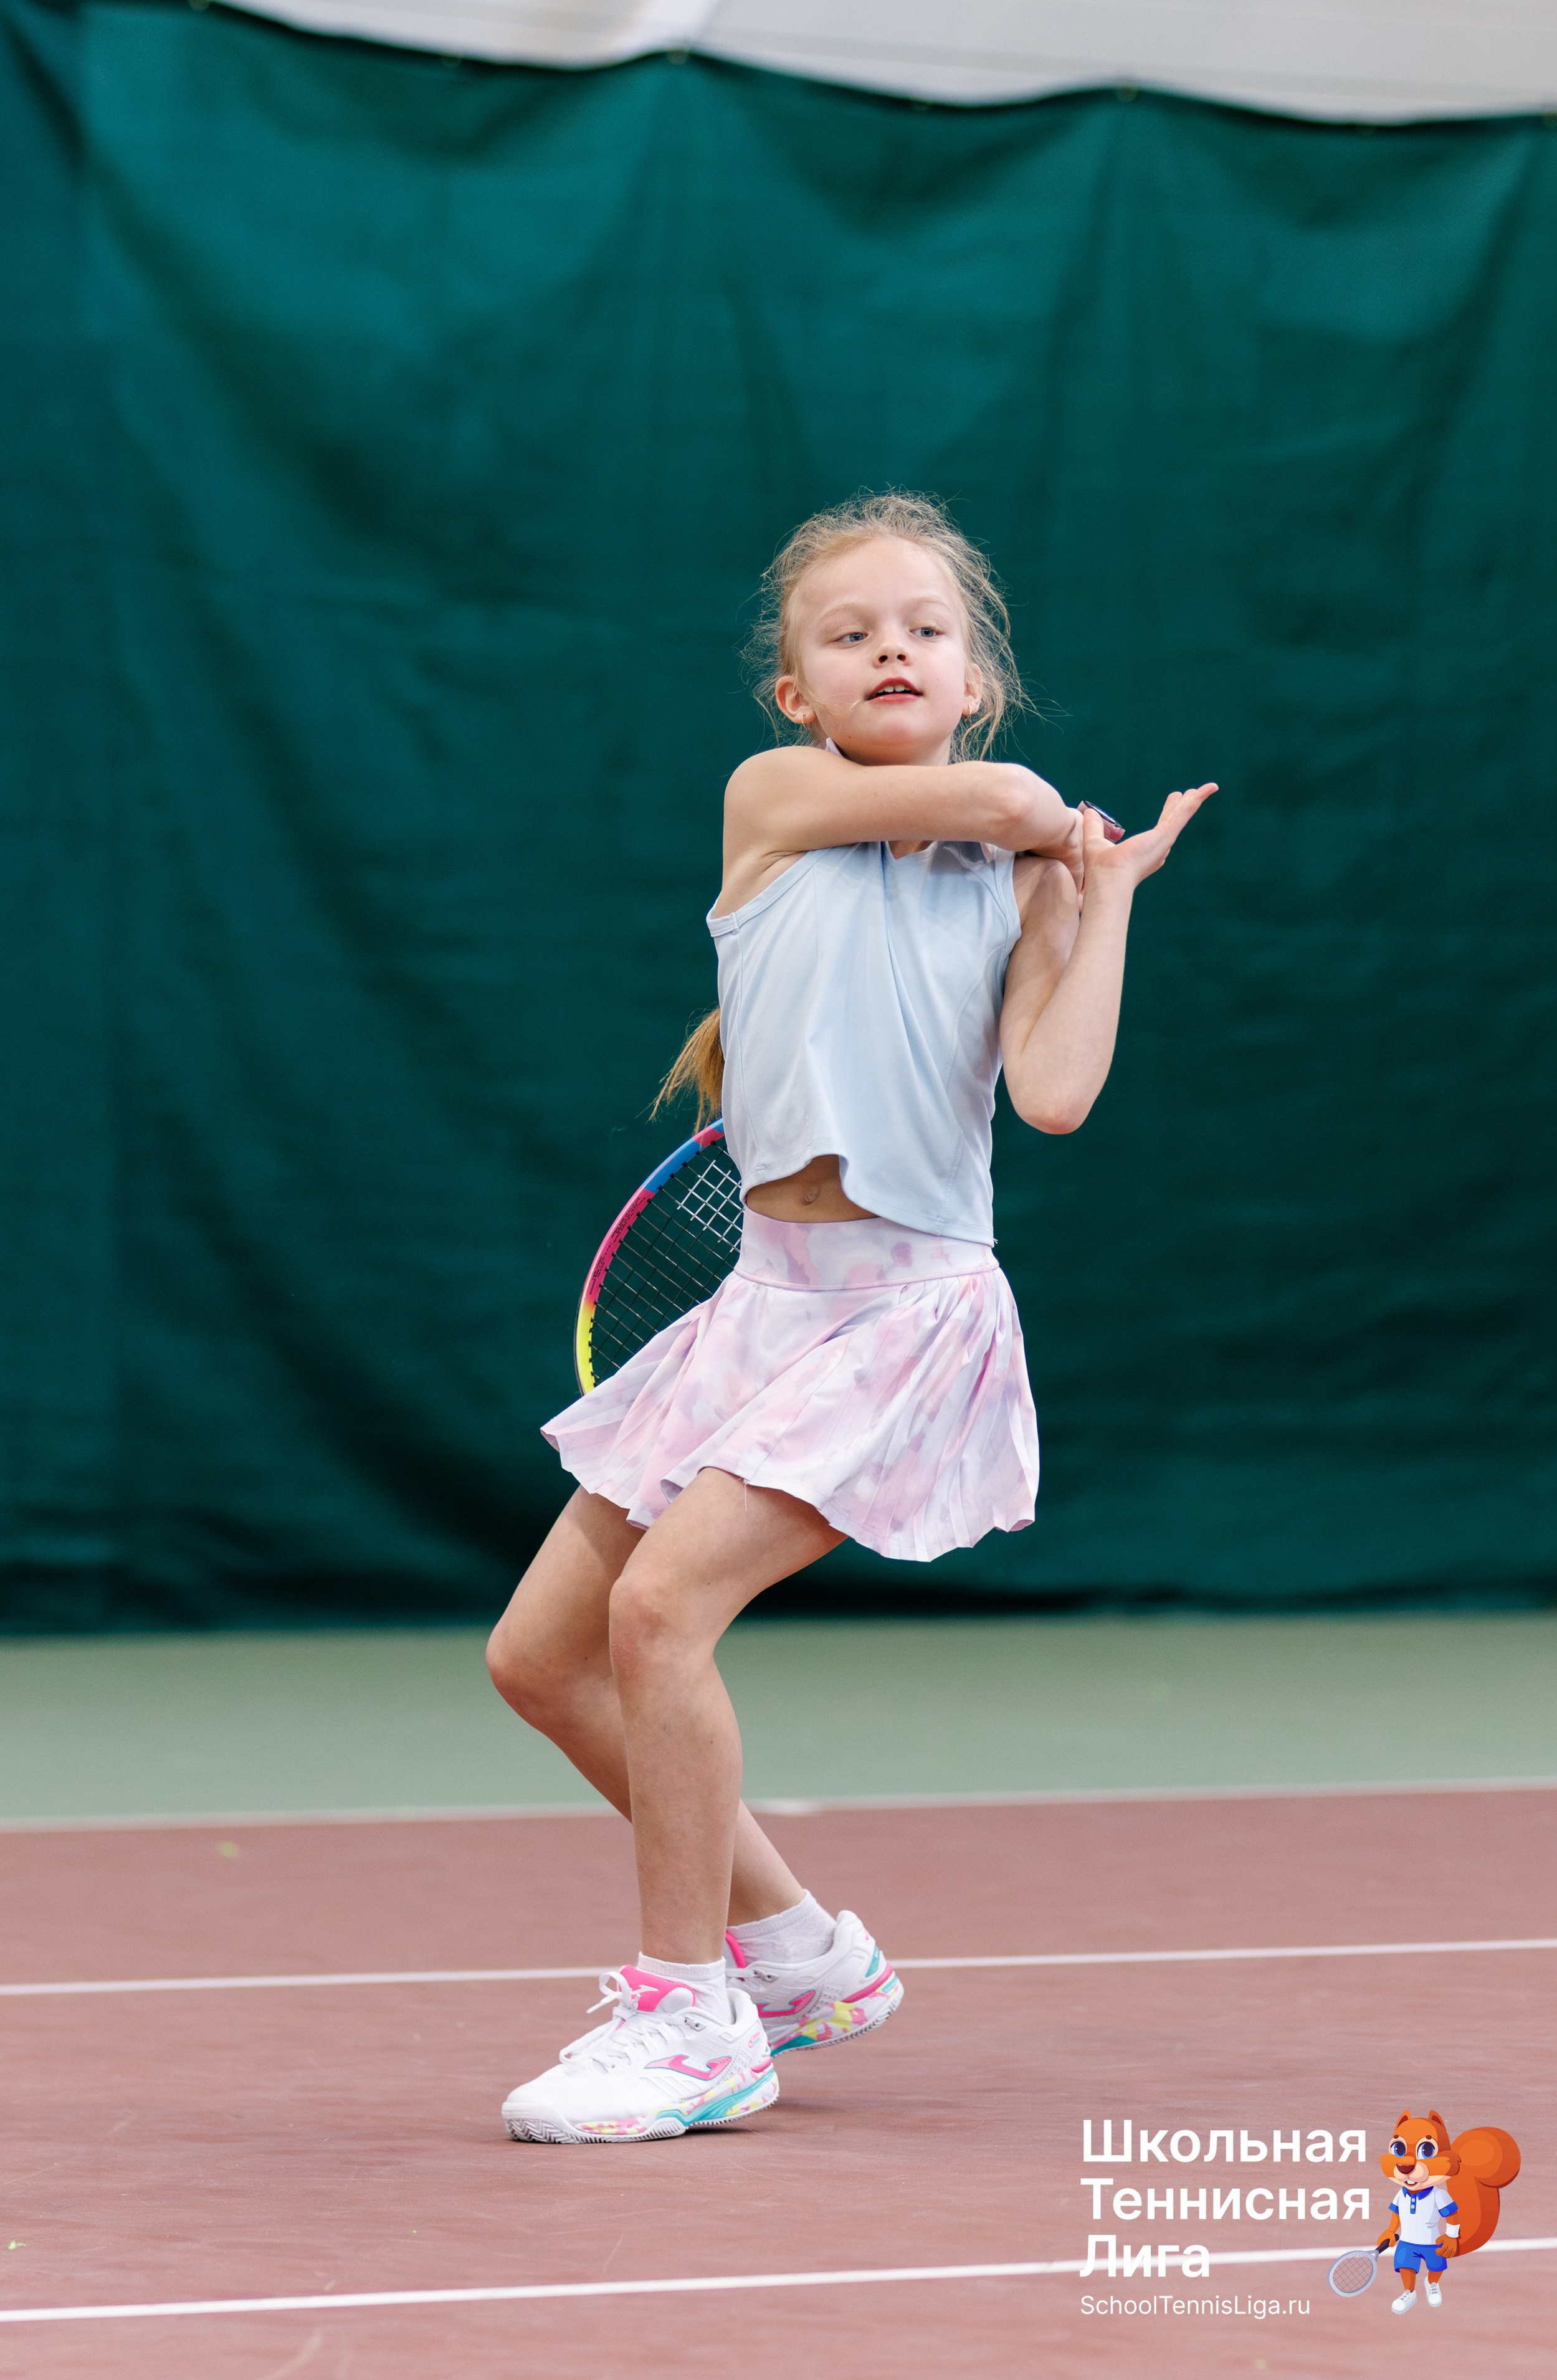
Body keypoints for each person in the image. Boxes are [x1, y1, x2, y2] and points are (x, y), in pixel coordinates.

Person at [486, 491, 1214, 2143]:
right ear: (797, 697)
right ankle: (804, 1957)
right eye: (852, 632)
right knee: (540, 1660)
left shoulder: (1023, 878)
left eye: (927, 629)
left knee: (660, 1620)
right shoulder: (778, 801)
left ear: (974, 671)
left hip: (907, 1312)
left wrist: (1099, 903)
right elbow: (1018, 792)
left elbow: (1055, 1095)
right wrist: (1050, 819)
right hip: (762, 1305)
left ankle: (696, 2026)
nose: (894, 647)